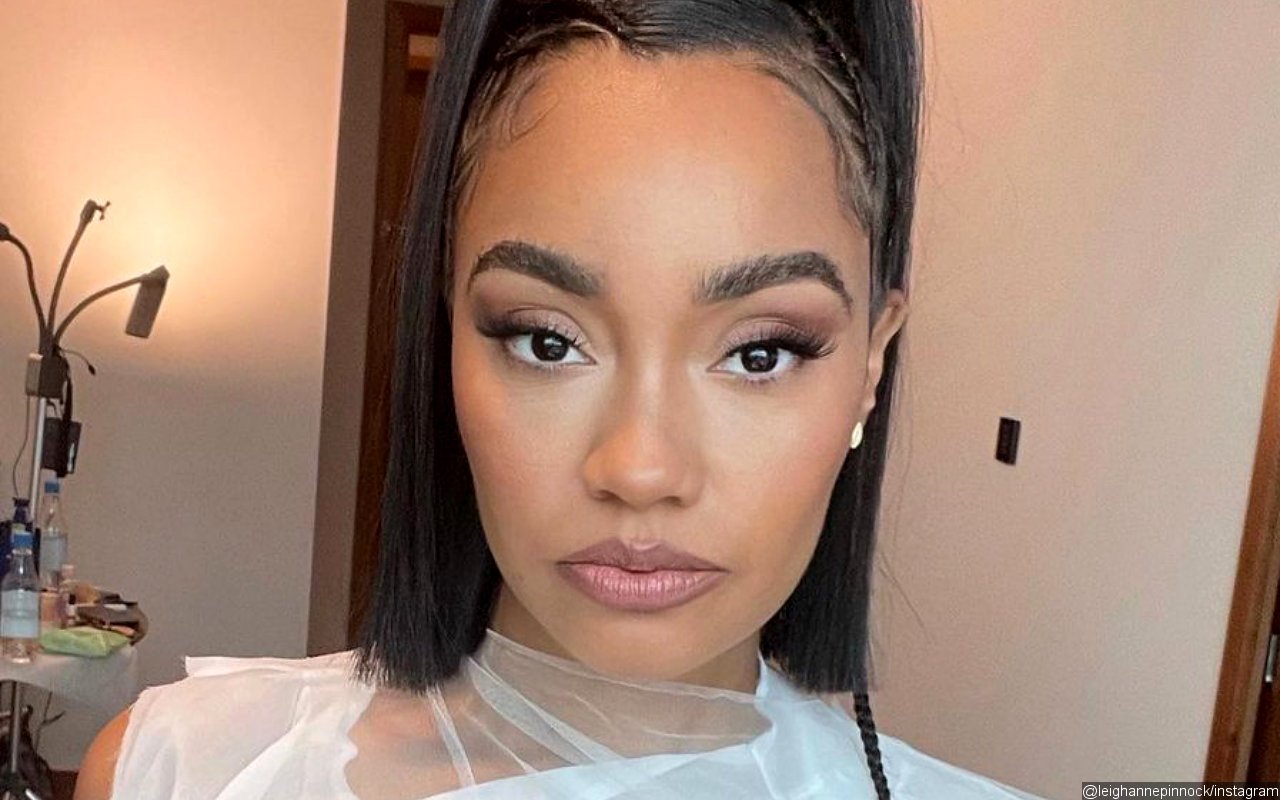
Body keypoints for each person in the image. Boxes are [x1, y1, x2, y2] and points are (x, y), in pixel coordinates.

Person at [76, 0, 1046, 797]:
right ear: (449, 334)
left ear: (870, 365)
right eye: (547, 341)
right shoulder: (184, 769)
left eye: (760, 353)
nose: (639, 467)